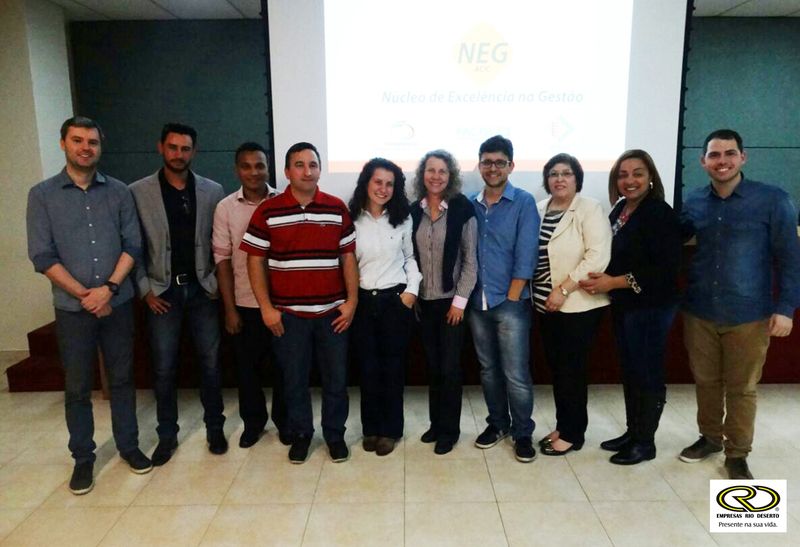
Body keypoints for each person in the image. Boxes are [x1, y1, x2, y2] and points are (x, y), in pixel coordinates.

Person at [26, 116, 152, 495]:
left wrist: (108, 289)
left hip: (117, 303)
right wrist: (87, 295)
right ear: (63, 143)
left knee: (122, 378)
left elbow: (133, 245)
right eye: (78, 140)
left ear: (100, 146)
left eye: (92, 142)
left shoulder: (119, 192)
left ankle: (128, 446)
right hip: (72, 309)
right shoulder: (42, 195)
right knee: (78, 385)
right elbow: (42, 256)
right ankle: (83, 458)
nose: (86, 148)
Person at [678, 129, 800, 479]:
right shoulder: (694, 201)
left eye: (729, 153)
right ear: (703, 161)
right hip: (700, 309)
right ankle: (710, 438)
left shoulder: (773, 200)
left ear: (742, 157)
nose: (722, 161)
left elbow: (790, 258)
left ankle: (737, 453)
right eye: (714, 155)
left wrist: (786, 308)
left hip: (749, 313)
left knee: (742, 388)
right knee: (705, 381)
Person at [241, 142, 358, 464]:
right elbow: (254, 261)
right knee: (294, 381)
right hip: (288, 315)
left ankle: (334, 435)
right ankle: (302, 434)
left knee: (336, 381)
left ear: (320, 169)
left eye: (313, 164)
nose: (307, 171)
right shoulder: (268, 210)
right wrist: (266, 308)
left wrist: (351, 302)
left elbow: (348, 258)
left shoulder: (336, 208)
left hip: (332, 314)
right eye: (300, 165)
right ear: (287, 171)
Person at [130, 122, 227, 465]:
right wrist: (144, 290)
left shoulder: (212, 190)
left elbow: (220, 243)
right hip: (162, 293)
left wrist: (216, 284)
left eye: (185, 149)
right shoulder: (137, 192)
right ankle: (167, 435)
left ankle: (215, 428)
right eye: (173, 147)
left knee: (211, 365)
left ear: (194, 152)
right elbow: (132, 246)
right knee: (164, 368)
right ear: (161, 148)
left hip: (203, 291)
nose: (178, 154)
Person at [580, 149, 681, 465]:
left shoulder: (659, 212)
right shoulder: (621, 209)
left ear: (650, 177)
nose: (630, 180)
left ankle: (645, 442)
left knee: (647, 372)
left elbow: (664, 269)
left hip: (651, 306)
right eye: (623, 175)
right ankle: (633, 432)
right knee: (631, 369)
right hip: (626, 305)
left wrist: (613, 282)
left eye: (637, 173)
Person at [534, 153, 611, 456]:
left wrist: (564, 289)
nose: (559, 179)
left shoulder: (589, 208)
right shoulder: (540, 208)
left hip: (577, 304)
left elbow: (597, 256)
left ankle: (573, 434)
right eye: (553, 173)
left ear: (577, 178)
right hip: (544, 304)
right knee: (558, 370)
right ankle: (563, 425)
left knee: (572, 371)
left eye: (566, 173)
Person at [468, 135, 539, 463]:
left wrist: (512, 295)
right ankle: (498, 423)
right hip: (477, 303)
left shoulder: (523, 202)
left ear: (511, 165)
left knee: (515, 373)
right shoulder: (470, 203)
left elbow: (527, 252)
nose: (493, 168)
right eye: (487, 162)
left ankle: (523, 433)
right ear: (479, 165)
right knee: (488, 370)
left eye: (500, 162)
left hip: (510, 302)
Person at [212, 142, 287, 449]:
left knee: (285, 368)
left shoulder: (284, 201)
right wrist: (230, 309)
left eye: (259, 166)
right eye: (246, 166)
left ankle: (285, 422)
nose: (254, 172)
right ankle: (253, 424)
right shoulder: (225, 208)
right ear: (237, 170)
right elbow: (222, 260)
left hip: (283, 303)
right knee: (247, 370)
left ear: (268, 169)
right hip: (244, 302)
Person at [348, 158, 422, 456]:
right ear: (366, 183)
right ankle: (371, 428)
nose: (383, 188)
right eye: (378, 182)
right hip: (363, 302)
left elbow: (410, 258)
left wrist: (411, 291)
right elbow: (346, 263)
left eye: (390, 184)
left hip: (395, 301)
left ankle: (390, 431)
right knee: (367, 368)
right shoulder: (351, 218)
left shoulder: (402, 218)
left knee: (392, 369)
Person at [410, 149, 478, 455]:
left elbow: (470, 262)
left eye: (442, 171)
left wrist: (459, 303)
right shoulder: (414, 211)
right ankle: (436, 425)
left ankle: (449, 431)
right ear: (422, 175)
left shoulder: (463, 209)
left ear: (451, 176)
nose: (436, 176)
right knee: (433, 367)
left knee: (450, 369)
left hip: (452, 304)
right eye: (430, 170)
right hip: (424, 303)